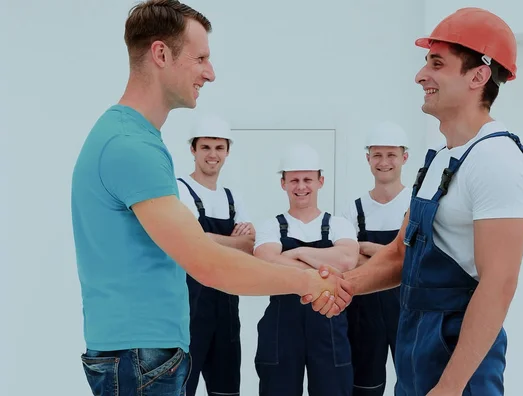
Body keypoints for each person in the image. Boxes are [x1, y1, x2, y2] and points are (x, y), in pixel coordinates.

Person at [70, 1, 350, 395]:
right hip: (139, 357)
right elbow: (208, 263)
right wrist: (305, 280)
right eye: (200, 58)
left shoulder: (133, 139)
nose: (210, 73)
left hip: (142, 353)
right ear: (161, 54)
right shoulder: (130, 145)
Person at [308, 7, 523, 396]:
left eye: (437, 63)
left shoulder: (498, 161)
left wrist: (449, 387)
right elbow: (400, 255)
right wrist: (346, 286)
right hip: (415, 342)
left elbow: (499, 285)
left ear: (478, 75)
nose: (420, 76)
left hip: (459, 357)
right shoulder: (440, 157)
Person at [253, 143, 360, 396]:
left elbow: (346, 260)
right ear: (283, 183)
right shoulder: (270, 226)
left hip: (329, 328)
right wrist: (324, 265)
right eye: (294, 180)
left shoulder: (339, 224)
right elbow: (264, 262)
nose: (301, 187)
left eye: (308, 179)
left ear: (320, 181)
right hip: (281, 329)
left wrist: (297, 253)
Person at [176, 113, 254, 395]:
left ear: (227, 151)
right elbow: (193, 243)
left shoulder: (232, 197)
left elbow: (250, 246)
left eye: (219, 148)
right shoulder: (180, 190)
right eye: (206, 147)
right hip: (189, 310)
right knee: (183, 388)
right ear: (193, 150)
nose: (213, 154)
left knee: (227, 389)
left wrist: (210, 239)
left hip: (227, 309)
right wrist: (231, 241)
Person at [340, 121, 412, 396]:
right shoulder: (354, 208)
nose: (384, 162)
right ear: (368, 158)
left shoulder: (415, 203)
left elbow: (416, 259)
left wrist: (366, 247)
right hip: (363, 309)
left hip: (408, 308)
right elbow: (347, 259)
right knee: (364, 387)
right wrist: (396, 254)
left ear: (404, 158)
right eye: (377, 155)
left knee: (412, 382)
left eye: (391, 154)